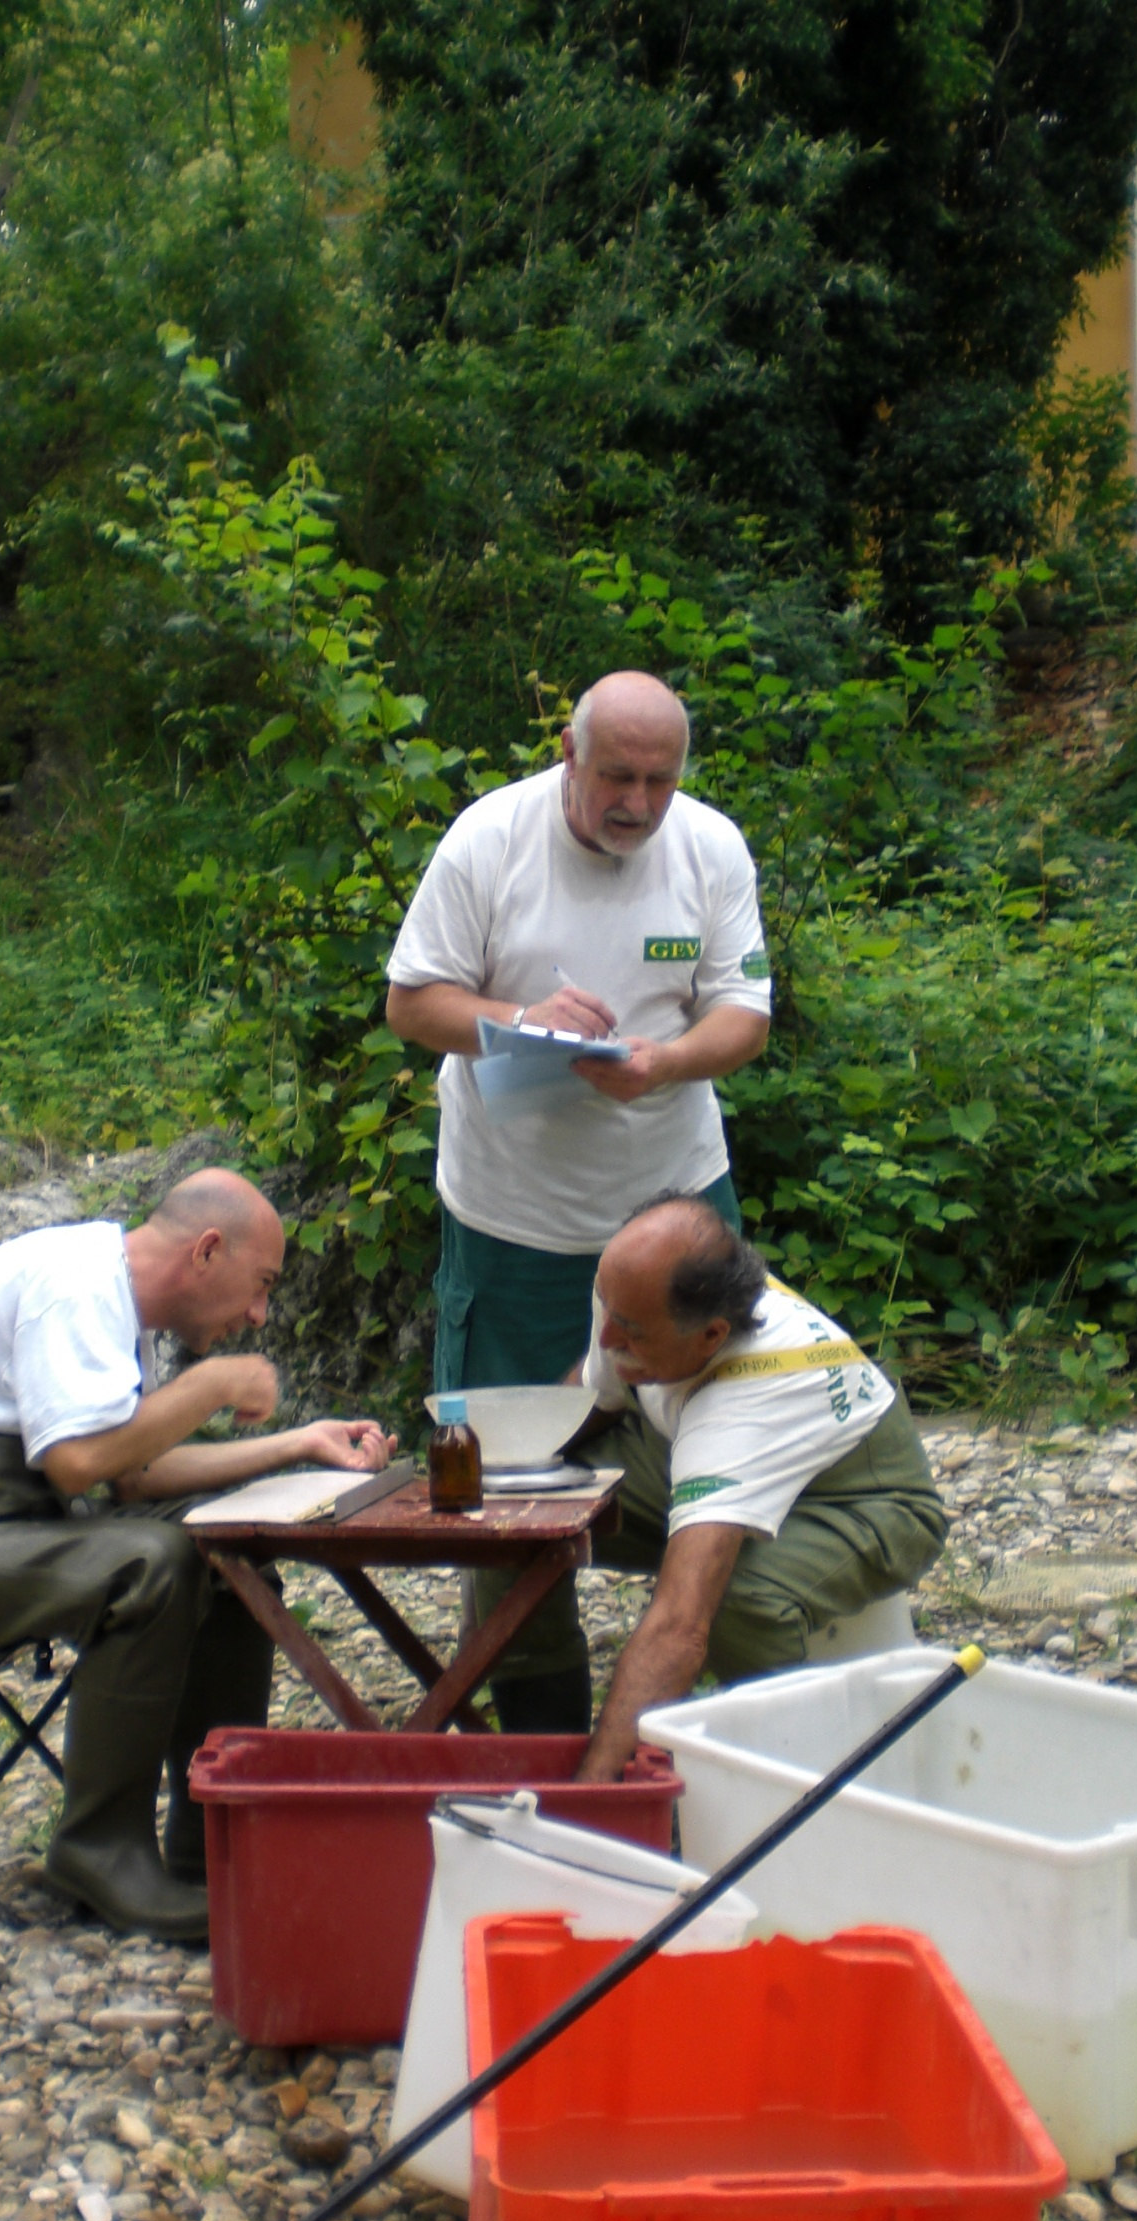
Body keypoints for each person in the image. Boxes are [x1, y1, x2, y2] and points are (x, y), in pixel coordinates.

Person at [0, 1169, 392, 1942]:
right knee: (150, 1563)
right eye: (259, 1286)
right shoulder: (75, 1284)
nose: (258, 1314)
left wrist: (298, 1444)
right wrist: (215, 1385)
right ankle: (99, 1848)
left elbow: (135, 1474)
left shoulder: (121, 1313)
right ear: (206, 1250)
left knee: (224, 1552)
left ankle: (210, 1840)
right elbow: (78, 1466)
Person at [384, 669, 772, 1731]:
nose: (636, 804)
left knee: (723, 1443)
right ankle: (544, 1735)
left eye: (658, 779)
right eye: (615, 776)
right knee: (502, 1483)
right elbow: (410, 1002)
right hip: (515, 1223)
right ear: (567, 750)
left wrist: (665, 1060)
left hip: (673, 1205)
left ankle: (717, 1722)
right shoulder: (488, 839)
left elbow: (744, 1014)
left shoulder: (709, 847)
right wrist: (521, 1018)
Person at [566, 1194, 948, 1781]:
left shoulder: (742, 1406)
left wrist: (586, 1805)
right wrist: (511, 1471)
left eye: (633, 1333)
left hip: (859, 1493)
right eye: (606, 1307)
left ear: (712, 1335)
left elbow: (678, 1627)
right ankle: (536, 1727)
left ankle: (791, 1782)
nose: (609, 1335)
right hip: (679, 1444)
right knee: (528, 1511)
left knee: (735, 1605)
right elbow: (593, 1396)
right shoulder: (632, 1292)